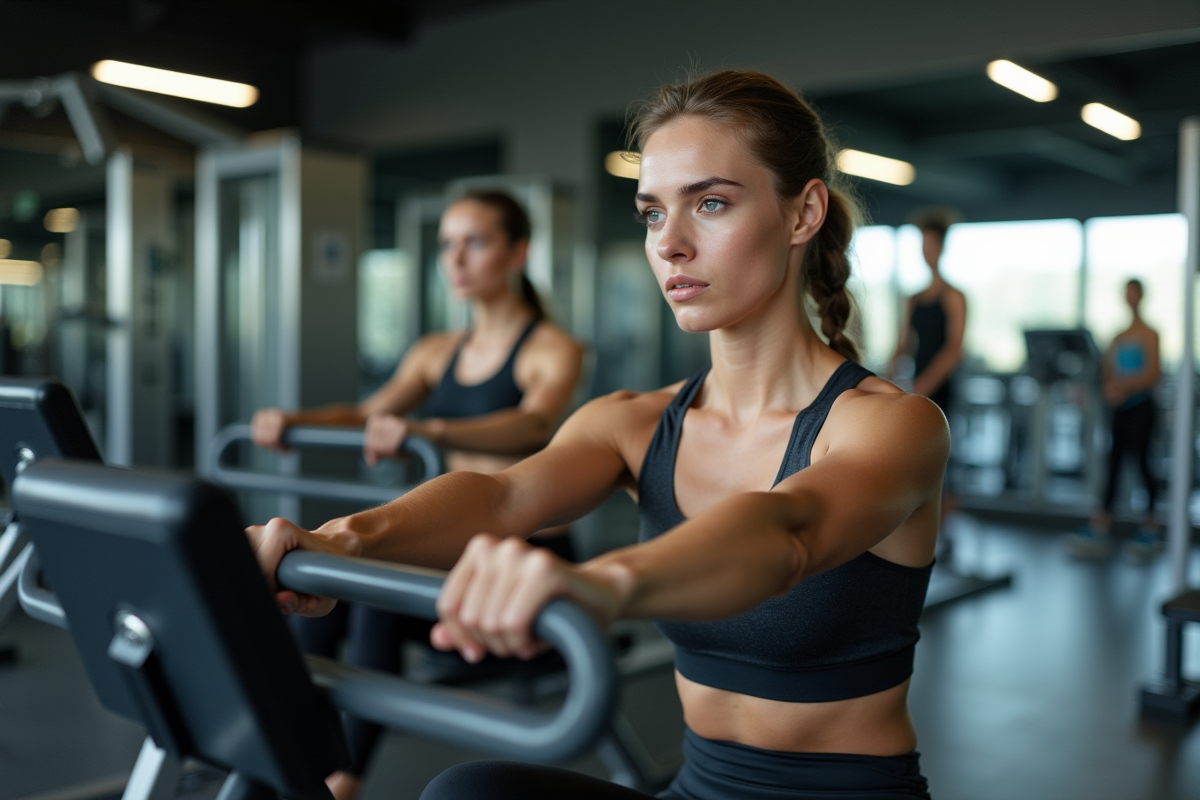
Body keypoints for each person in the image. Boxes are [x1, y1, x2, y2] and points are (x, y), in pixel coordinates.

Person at [249, 70, 947, 800]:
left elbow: (786, 532)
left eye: (710, 203)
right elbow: (502, 498)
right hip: (697, 789)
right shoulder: (634, 423)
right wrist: (338, 540)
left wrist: (599, 584)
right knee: (470, 794)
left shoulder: (893, 425)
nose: (670, 244)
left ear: (803, 213)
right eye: (652, 214)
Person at [251, 189, 584, 799]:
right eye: (447, 246)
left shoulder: (551, 348)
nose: (455, 260)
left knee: (375, 587)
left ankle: (342, 783)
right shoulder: (437, 351)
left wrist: (430, 429)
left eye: (475, 243)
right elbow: (366, 411)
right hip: (448, 552)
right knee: (319, 579)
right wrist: (291, 421)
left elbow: (536, 423)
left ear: (518, 251)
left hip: (525, 557)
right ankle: (299, 760)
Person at [1067, 278, 1161, 561]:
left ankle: (1150, 525)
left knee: (1143, 463)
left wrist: (1125, 387)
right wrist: (1111, 387)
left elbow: (1152, 373)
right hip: (1120, 409)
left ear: (1141, 297)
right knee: (1114, 463)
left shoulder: (1150, 334)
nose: (1130, 298)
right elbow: (1107, 372)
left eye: (1134, 294)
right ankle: (1101, 524)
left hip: (1142, 407)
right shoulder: (1118, 336)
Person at [891, 212, 965, 556]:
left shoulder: (953, 296)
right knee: (917, 457)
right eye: (923, 246)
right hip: (917, 387)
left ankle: (944, 533)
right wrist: (888, 381)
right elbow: (902, 345)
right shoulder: (913, 299)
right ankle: (920, 530)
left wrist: (924, 384)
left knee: (943, 459)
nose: (927, 252)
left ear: (943, 249)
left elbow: (953, 350)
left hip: (941, 387)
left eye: (932, 246)